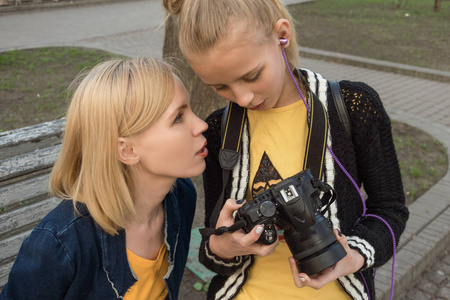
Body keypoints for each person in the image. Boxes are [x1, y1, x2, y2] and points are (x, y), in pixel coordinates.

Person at [162, 0, 409, 299]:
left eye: (251, 76)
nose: (243, 98)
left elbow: (389, 209)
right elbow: (213, 245)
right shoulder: (218, 131)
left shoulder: (353, 107)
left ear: (282, 35)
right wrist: (222, 245)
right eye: (220, 87)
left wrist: (353, 255)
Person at [0, 57, 208, 300]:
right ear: (128, 150)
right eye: (178, 118)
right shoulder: (60, 245)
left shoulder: (181, 196)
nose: (201, 125)